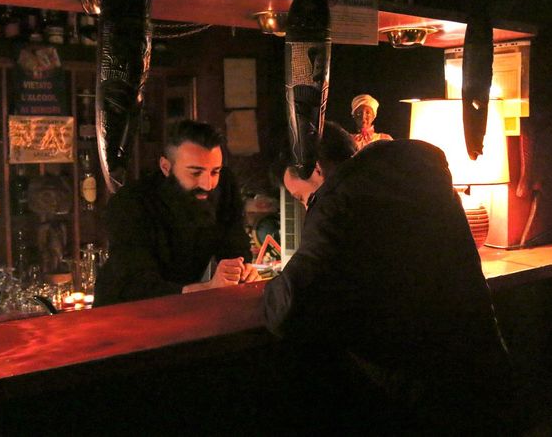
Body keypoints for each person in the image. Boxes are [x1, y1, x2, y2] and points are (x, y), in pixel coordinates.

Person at [263, 122, 514, 434]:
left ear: (316, 169)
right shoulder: (422, 176)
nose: (307, 207)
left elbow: (288, 306)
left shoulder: (339, 201)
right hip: (482, 367)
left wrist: (265, 292)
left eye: (303, 198)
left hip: (418, 394)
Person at [94, 121, 259, 307]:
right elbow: (138, 283)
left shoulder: (224, 186)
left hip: (187, 305)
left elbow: (235, 244)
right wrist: (208, 288)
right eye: (195, 173)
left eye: (215, 171)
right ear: (166, 167)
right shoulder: (130, 203)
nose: (207, 184)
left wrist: (240, 269)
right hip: (124, 309)